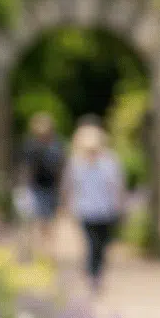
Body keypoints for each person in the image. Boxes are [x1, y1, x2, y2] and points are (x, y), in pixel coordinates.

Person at [63, 116, 128, 296]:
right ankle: (93, 274)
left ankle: (96, 272)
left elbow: (118, 186)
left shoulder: (109, 162)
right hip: (85, 210)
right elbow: (70, 187)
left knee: (102, 245)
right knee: (91, 244)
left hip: (105, 211)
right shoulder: (76, 162)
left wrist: (121, 207)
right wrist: (68, 206)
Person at [13, 111, 65, 259]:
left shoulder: (56, 145)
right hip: (34, 187)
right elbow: (25, 167)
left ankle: (46, 251)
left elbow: (61, 167)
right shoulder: (30, 145)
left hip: (51, 188)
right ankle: (33, 251)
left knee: (48, 221)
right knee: (32, 220)